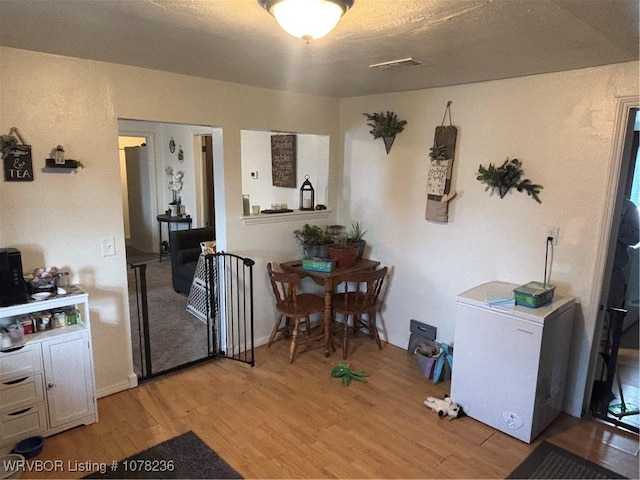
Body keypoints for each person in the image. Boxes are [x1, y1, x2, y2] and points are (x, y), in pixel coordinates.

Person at [608, 198, 640, 309]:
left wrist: (617, 225)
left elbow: (636, 237)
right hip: (586, 266)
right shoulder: (594, 202)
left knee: (610, 312)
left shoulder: (628, 207)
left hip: (614, 269)